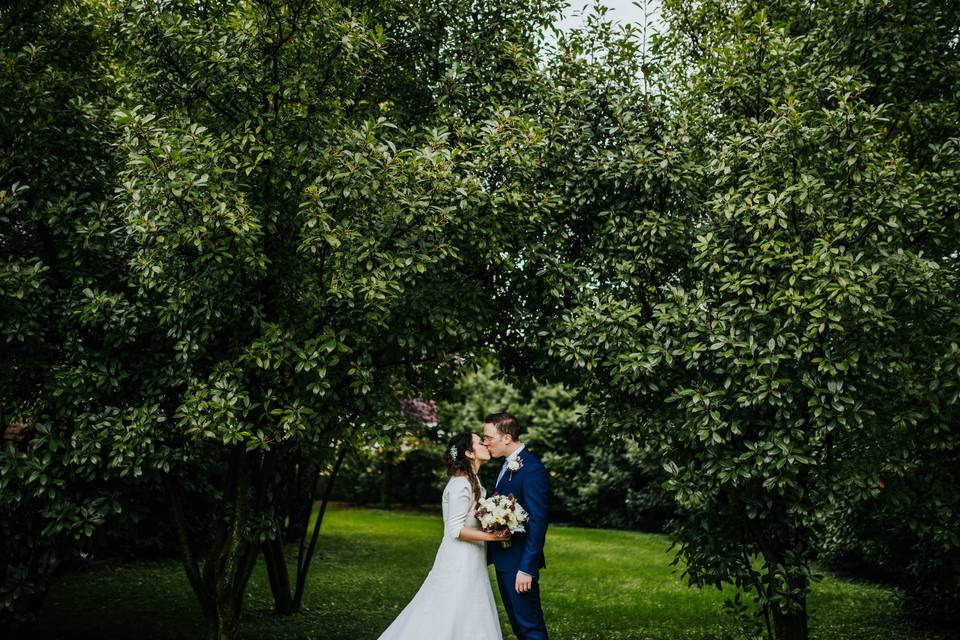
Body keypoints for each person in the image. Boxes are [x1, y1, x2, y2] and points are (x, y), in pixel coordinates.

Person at [376, 431, 509, 640]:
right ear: (469, 453)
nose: (485, 444)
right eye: (479, 442)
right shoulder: (460, 485)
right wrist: (494, 537)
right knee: (450, 606)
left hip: (472, 556)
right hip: (459, 557)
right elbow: (454, 529)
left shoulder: (474, 481)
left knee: (470, 606)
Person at [483, 412, 550, 640]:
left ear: (507, 437)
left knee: (530, 627)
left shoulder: (532, 469)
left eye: (489, 437)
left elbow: (538, 522)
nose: (485, 442)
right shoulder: (506, 465)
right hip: (505, 561)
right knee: (519, 626)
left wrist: (527, 569)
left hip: (519, 564)